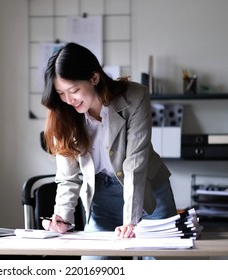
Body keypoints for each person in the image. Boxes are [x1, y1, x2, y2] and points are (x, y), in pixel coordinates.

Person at [40, 42, 177, 259]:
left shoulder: (135, 97)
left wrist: (130, 220)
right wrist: (62, 218)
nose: (69, 100)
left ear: (94, 78)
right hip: (102, 198)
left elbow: (135, 164)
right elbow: (68, 179)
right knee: (94, 266)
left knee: (159, 266)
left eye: (74, 90)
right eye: (61, 93)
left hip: (148, 191)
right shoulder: (63, 115)